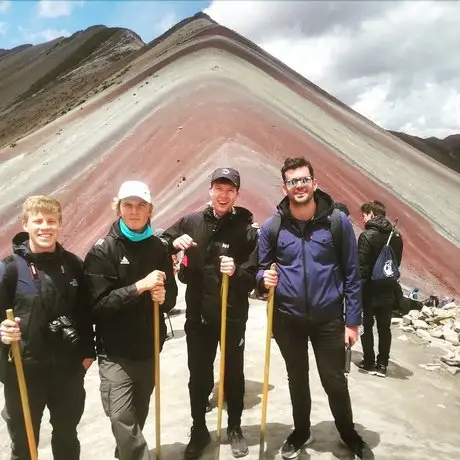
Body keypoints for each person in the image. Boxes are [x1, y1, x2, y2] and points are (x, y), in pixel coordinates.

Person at [258, 157, 373, 460]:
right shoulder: (273, 226)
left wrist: (352, 322)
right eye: (293, 181)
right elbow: (259, 268)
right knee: (297, 379)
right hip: (288, 320)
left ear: (314, 183)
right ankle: (300, 431)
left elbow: (352, 273)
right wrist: (262, 277)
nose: (299, 185)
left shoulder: (337, 223)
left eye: (304, 179)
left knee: (333, 378)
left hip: (328, 319)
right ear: (285, 187)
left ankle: (348, 434)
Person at [161, 167, 258, 459]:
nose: (224, 195)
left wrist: (237, 271)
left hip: (233, 316)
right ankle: (199, 429)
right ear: (210, 190)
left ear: (237, 194)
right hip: (198, 316)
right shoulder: (190, 222)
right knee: (199, 375)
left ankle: (235, 427)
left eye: (230, 190)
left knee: (234, 374)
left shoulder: (246, 231)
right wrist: (172, 244)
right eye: (219, 188)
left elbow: (253, 278)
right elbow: (160, 241)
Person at [83, 181, 178, 460]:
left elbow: (170, 298)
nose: (134, 211)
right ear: (118, 208)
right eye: (128, 205)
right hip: (115, 352)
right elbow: (97, 306)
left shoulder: (158, 248)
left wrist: (163, 297)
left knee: (137, 416)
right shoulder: (103, 251)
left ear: (150, 210)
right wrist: (140, 287)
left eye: (140, 206)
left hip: (149, 348)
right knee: (122, 418)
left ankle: (125, 454)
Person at [0, 195, 95, 460]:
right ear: (25, 224)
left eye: (51, 221)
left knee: (66, 436)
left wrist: (87, 355)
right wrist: (3, 333)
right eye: (38, 221)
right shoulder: (8, 270)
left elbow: (85, 313)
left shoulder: (72, 265)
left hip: (67, 371)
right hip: (24, 373)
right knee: (25, 444)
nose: (45, 227)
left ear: (60, 224)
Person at [357, 200, 403, 378]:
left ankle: (368, 362)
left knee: (366, 326)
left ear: (372, 214)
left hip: (369, 290)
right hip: (388, 288)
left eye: (364, 215)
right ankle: (383, 365)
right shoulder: (397, 236)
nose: (362, 219)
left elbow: (361, 268)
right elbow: (396, 263)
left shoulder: (366, 236)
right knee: (385, 328)